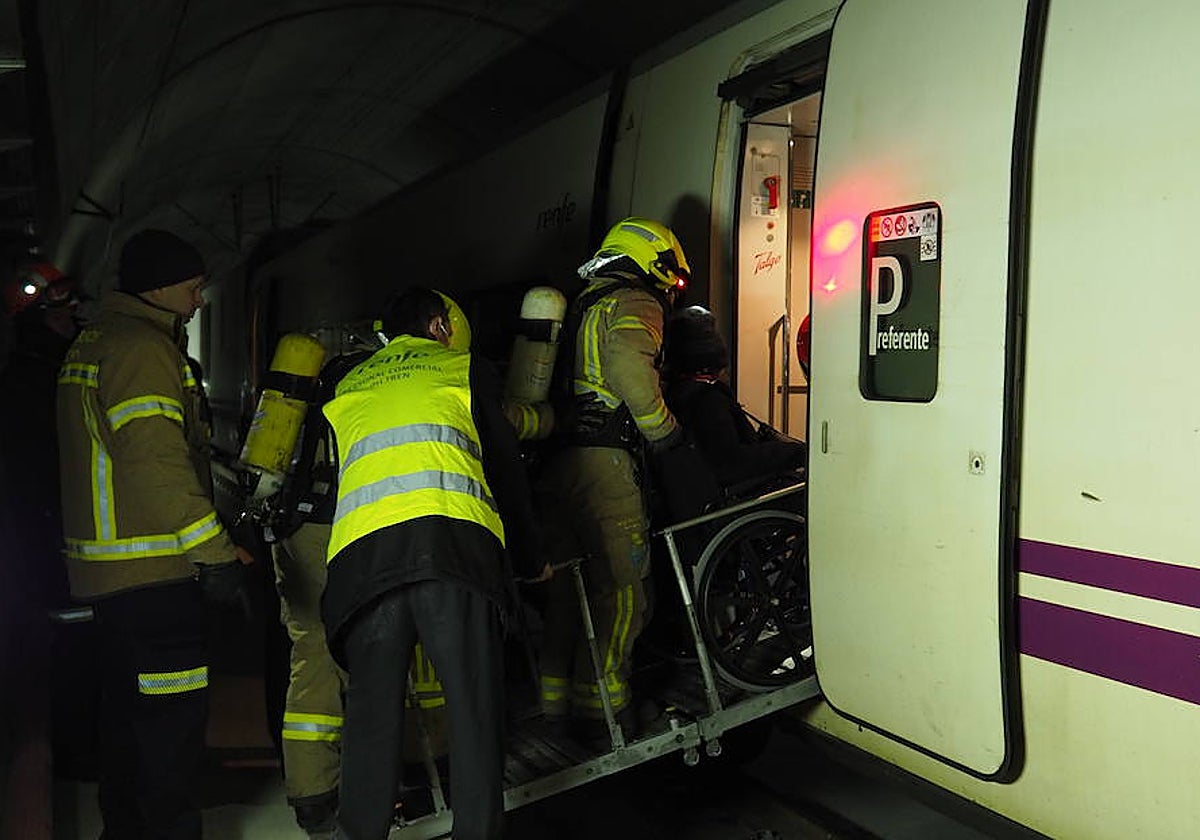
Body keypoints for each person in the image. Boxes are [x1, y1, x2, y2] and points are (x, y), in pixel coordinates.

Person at [321, 287, 547, 840]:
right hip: (449, 551)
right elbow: (503, 469)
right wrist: (531, 560)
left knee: (371, 720)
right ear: (440, 326)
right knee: (473, 713)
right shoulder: (461, 368)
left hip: (362, 561)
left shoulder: (349, 382)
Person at [56, 228, 251, 840]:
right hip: (153, 577)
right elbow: (156, 461)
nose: (197, 301)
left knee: (127, 724)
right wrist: (215, 555)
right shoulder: (140, 350)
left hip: (113, 576)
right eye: (193, 289)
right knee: (170, 729)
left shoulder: (98, 341)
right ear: (162, 287)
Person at [536, 217, 688, 739]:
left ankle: (554, 710)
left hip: (558, 463)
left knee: (566, 593)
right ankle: (606, 713)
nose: (672, 289)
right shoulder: (633, 303)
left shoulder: (581, 304)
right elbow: (628, 368)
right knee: (622, 593)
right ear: (654, 263)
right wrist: (665, 435)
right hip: (606, 467)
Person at [663, 305, 806, 503]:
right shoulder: (707, 401)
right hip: (738, 495)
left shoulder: (680, 393)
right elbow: (733, 462)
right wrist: (795, 452)